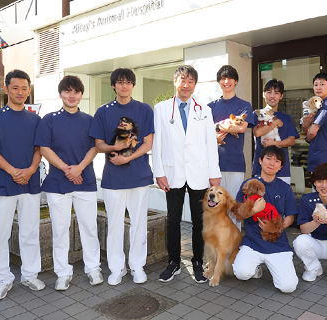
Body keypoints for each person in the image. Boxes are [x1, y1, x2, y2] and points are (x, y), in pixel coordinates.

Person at [153, 65, 221, 283]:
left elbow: (211, 144)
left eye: (190, 81)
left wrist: (214, 174)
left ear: (194, 85)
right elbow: (157, 143)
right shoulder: (162, 108)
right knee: (173, 220)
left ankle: (198, 263)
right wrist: (159, 172)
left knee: (199, 221)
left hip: (199, 174)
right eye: (183, 80)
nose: (186, 84)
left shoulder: (204, 110)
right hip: (172, 174)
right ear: (175, 81)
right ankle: (174, 262)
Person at [34, 75, 102, 290]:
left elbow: (95, 147)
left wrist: (79, 168)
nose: (72, 95)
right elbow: (44, 148)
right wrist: (66, 169)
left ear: (81, 95)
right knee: (60, 229)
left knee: (89, 227)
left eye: (76, 91)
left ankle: (93, 268)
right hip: (57, 183)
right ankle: (62, 272)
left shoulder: (90, 120)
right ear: (60, 93)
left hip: (85, 180)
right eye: (67, 91)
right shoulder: (49, 119)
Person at [0, 69, 45, 300]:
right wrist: (12, 171)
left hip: (29, 182)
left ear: (29, 90)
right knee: (1, 232)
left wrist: (29, 171)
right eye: (15, 87)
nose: (20, 92)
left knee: (30, 231)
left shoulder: (36, 119)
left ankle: (29, 274)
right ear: (7, 88)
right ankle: (2, 278)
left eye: (24, 88)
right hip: (3, 183)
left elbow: (39, 149)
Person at [89, 68, 154, 286]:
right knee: (114, 224)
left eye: (128, 82)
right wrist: (114, 147)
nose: (124, 86)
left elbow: (148, 143)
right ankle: (116, 268)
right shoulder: (103, 112)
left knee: (138, 223)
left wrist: (127, 158)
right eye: (120, 82)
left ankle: (137, 266)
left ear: (133, 85)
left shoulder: (144, 109)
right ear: (114, 86)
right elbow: (98, 145)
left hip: (139, 176)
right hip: (112, 179)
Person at [233, 145, 298, 293]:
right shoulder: (249, 185)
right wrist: (253, 210)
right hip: (253, 241)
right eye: (268, 158)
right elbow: (237, 214)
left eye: (276, 161)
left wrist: (276, 228)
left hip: (277, 242)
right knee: (241, 273)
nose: (271, 163)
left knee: (288, 287)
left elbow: (290, 216)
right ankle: (256, 266)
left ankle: (280, 265)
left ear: (280, 166)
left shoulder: (285, 188)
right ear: (260, 161)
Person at [209, 65, 255, 230]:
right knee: (215, 207)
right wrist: (212, 136)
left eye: (230, 78)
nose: (226, 81)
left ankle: (234, 244)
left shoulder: (243, 105)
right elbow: (202, 133)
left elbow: (241, 128)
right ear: (219, 82)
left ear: (235, 81)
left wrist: (216, 128)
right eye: (223, 78)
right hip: (213, 165)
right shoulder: (211, 106)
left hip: (235, 163)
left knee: (234, 207)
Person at [252, 79, 299, 185]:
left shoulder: (287, 118)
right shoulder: (257, 114)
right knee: (259, 200)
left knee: (281, 201)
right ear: (264, 95)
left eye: (276, 93)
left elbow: (291, 141)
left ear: (281, 96)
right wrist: (275, 122)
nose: (272, 96)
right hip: (260, 169)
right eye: (269, 92)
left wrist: (274, 143)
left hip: (282, 170)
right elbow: (257, 133)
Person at [302, 73, 327, 173]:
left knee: (324, 187)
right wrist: (306, 125)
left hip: (325, 157)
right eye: (316, 84)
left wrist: (307, 138)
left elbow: (312, 132)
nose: (318, 87)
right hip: (318, 156)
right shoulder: (317, 105)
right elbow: (307, 129)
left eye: (322, 84)